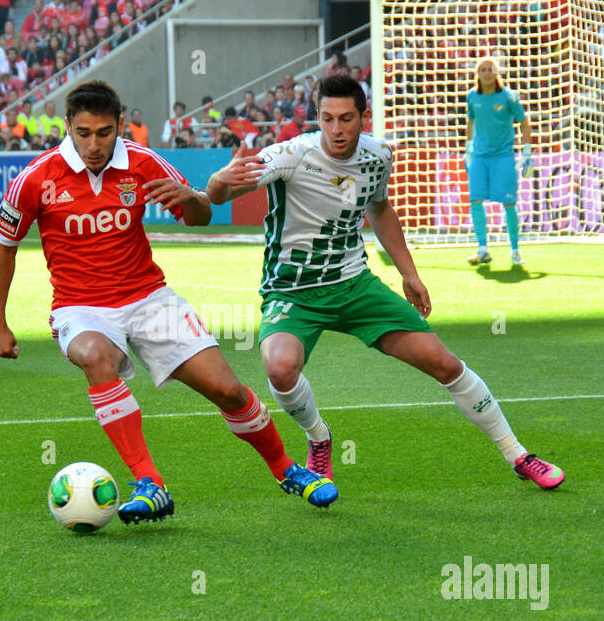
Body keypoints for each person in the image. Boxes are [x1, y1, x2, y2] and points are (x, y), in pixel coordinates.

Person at [0, 80, 337, 523]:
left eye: (103, 132)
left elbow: (200, 217)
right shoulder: (37, 178)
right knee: (96, 356)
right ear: (68, 128)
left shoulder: (143, 162)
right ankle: (150, 482)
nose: (93, 144)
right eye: (83, 133)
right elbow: (4, 246)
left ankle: (287, 469)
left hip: (149, 297)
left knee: (227, 390)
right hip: (81, 307)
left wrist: (192, 199)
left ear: (120, 125)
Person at [206, 75, 565, 491]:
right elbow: (219, 196)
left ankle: (518, 454)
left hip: (355, 285)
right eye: (327, 119)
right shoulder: (288, 155)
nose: (336, 130)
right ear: (317, 118)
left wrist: (408, 273)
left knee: (445, 364)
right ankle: (319, 438)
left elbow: (379, 209)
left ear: (364, 117)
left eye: (346, 119)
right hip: (293, 292)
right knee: (280, 368)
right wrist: (220, 180)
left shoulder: (378, 156)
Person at [463, 58, 532, 266]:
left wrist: (527, 151)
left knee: (509, 203)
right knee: (475, 200)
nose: (486, 73)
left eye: (490, 69)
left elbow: (524, 122)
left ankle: (515, 249)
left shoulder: (509, 96)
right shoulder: (472, 96)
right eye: (483, 70)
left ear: (496, 72)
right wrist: (468, 148)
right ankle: (482, 248)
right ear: (478, 73)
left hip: (503, 156)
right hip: (479, 156)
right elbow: (471, 121)